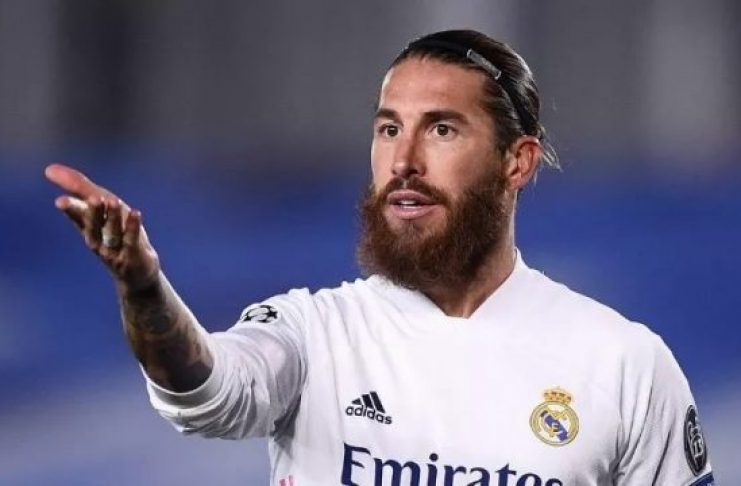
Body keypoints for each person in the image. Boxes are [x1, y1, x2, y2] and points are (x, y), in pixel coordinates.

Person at [46, 29, 713, 486]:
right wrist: (143, 286)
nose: (403, 161)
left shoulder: (623, 364)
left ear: (517, 161)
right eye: (389, 128)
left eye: (441, 129)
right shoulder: (312, 334)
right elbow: (206, 392)